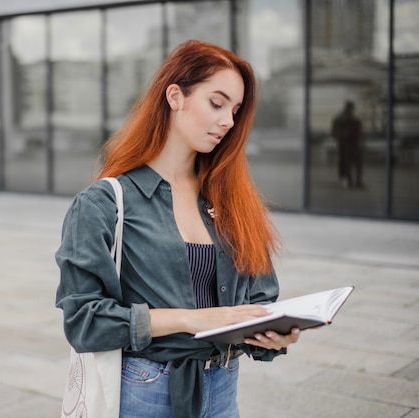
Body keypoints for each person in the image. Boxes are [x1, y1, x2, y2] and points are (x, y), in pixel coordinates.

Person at [55, 40, 302, 418]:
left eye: (235, 111)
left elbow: (260, 297)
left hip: (222, 389)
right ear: (175, 96)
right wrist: (192, 318)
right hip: (146, 391)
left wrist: (272, 333)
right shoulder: (104, 202)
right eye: (217, 104)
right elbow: (85, 320)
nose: (228, 122)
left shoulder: (232, 198)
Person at [331, 100, 364, 188]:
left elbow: (334, 133)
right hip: (347, 145)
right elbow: (335, 132)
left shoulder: (353, 119)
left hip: (349, 144)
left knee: (349, 163)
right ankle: (351, 180)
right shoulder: (342, 119)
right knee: (349, 163)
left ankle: (351, 180)